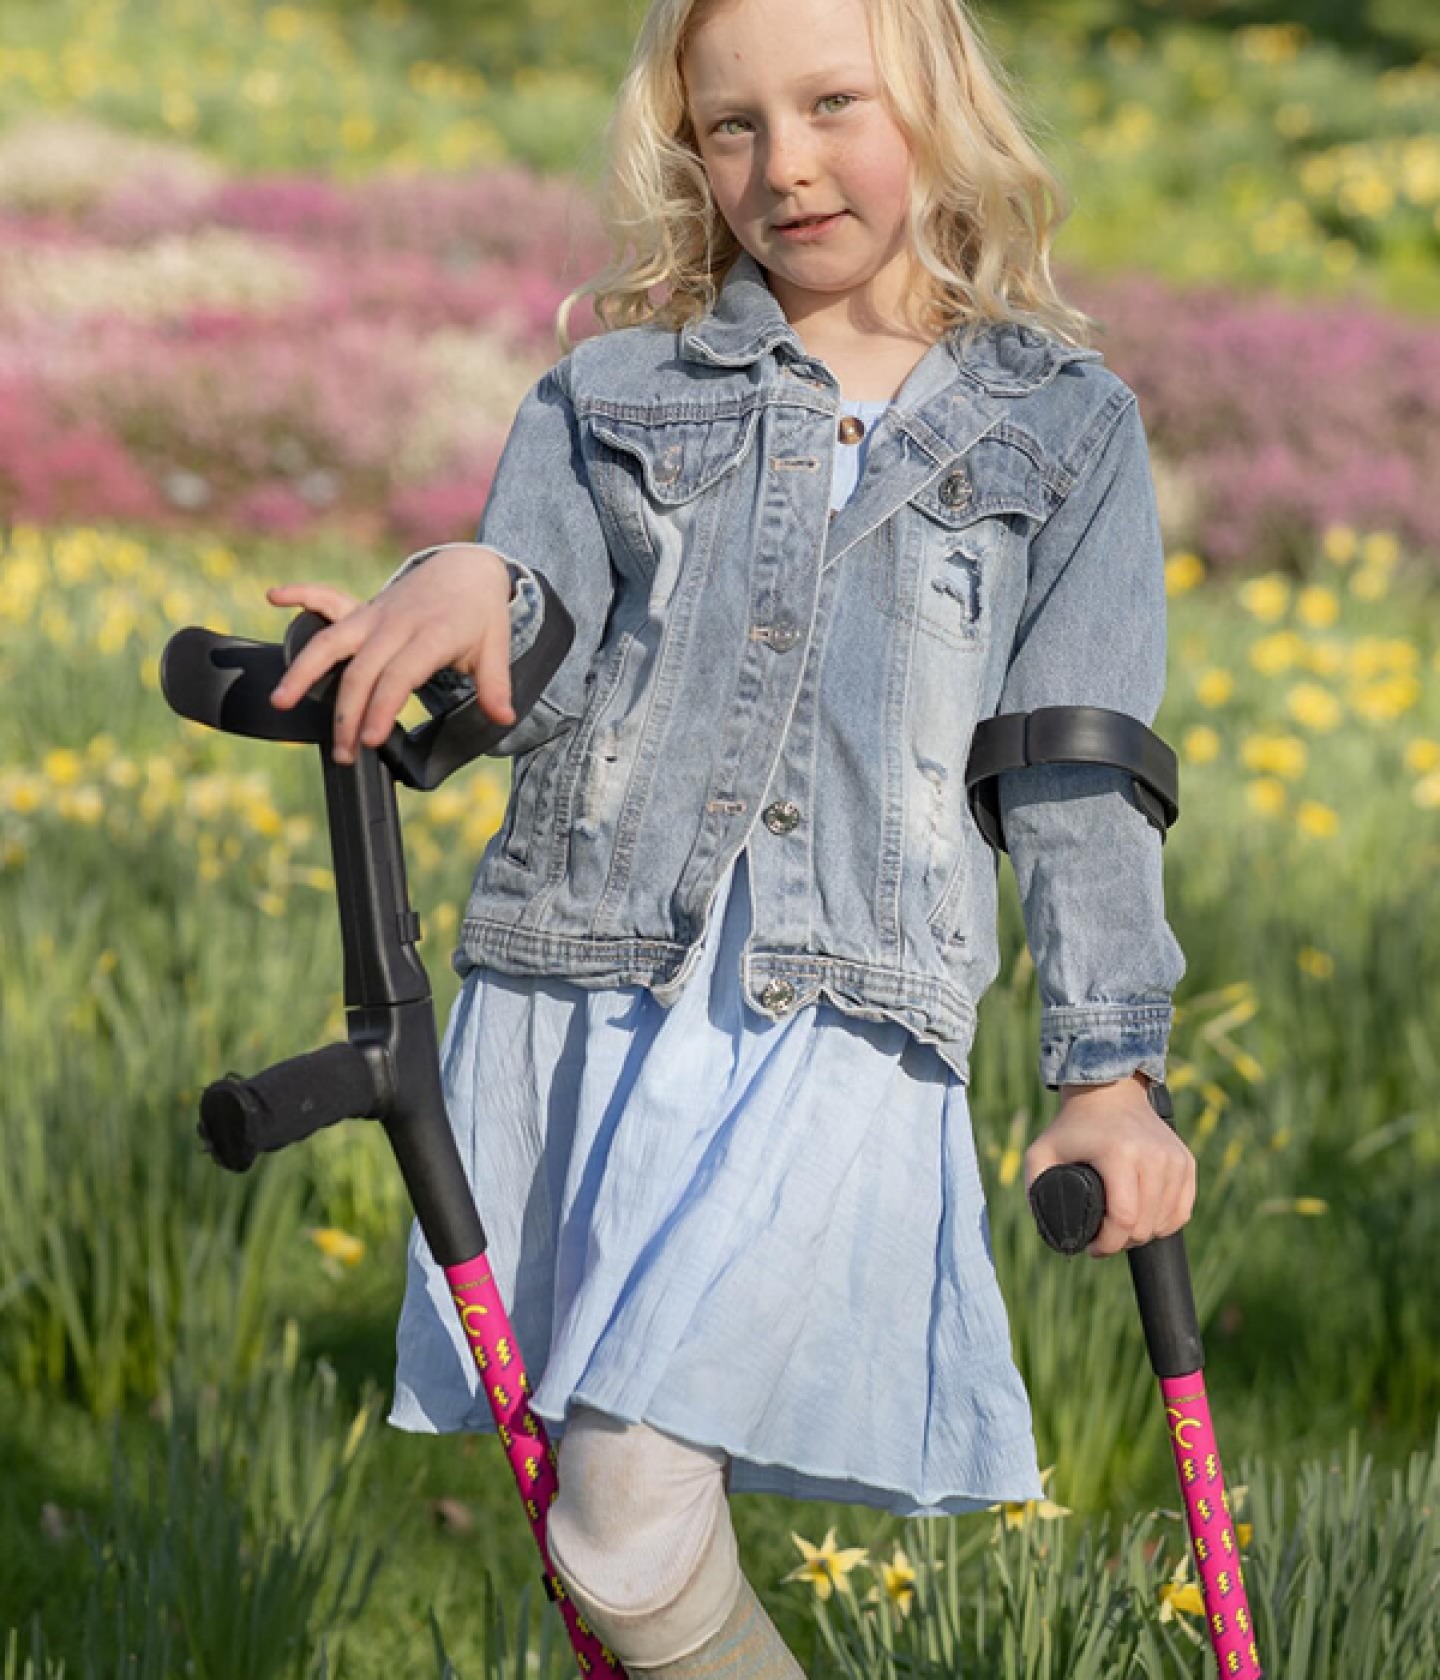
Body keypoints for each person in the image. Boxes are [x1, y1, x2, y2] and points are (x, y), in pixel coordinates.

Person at [266, 0, 1197, 1671]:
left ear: (938, 101)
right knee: (617, 1529)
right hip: (586, 995)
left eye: (835, 103)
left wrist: (1104, 1073)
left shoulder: (1064, 431)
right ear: (686, 150)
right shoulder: (609, 394)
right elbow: (530, 661)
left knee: (619, 1525)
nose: (786, 164)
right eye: (731, 125)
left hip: (840, 1022)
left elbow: (1072, 771)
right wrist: (470, 583)